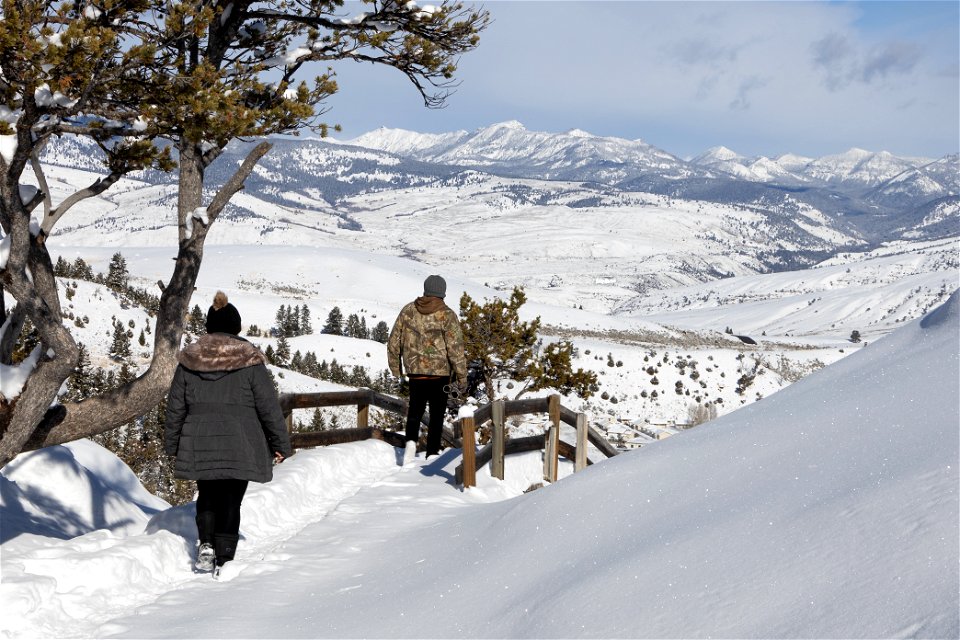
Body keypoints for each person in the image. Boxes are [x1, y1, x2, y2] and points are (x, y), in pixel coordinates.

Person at [164, 291, 292, 578]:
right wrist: (280, 444)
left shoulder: (190, 360)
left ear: (209, 326)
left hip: (199, 437)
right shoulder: (250, 360)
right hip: (241, 439)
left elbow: (175, 406)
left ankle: (206, 543)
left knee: (207, 492)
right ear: (236, 327)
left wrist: (172, 443)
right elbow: (268, 406)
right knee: (232, 498)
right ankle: (224, 556)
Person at [388, 275, 468, 460]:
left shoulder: (408, 310)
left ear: (425, 289)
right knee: (437, 415)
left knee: (415, 410)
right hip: (440, 374)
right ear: (443, 292)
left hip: (415, 372)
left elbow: (393, 341)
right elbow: (455, 348)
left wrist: (396, 369)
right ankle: (432, 452)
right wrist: (462, 376)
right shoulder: (447, 315)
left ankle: (409, 445)